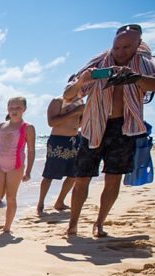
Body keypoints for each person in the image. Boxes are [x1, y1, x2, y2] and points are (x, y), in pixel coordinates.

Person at [63, 24, 155, 237]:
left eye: (126, 47)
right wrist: (83, 82)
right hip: (93, 126)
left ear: (137, 45)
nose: (120, 52)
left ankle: (99, 223)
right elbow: (68, 95)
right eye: (117, 47)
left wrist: (134, 78)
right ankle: (72, 225)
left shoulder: (144, 63)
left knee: (113, 178)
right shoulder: (98, 63)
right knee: (82, 178)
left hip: (124, 128)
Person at [0, 97, 36, 235]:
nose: (14, 110)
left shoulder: (28, 128)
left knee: (11, 197)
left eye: (17, 108)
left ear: (24, 109)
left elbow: (31, 150)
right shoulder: (1, 126)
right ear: (7, 109)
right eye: (11, 108)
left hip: (15, 167)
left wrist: (28, 170)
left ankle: (7, 227)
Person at [37, 76, 84, 215]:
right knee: (49, 174)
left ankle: (60, 201)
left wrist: (81, 114)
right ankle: (40, 204)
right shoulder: (58, 101)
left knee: (73, 174)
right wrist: (74, 112)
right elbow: (51, 122)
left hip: (74, 140)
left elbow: (79, 123)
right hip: (58, 140)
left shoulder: (81, 102)